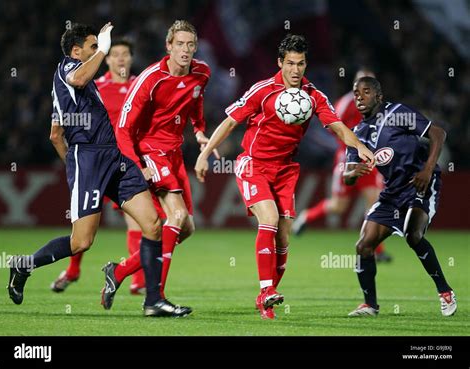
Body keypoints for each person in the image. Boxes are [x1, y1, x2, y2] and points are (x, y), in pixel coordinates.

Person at [7, 23, 190, 318]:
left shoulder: (77, 87)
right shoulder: (69, 68)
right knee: (81, 242)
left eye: (98, 46)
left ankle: (153, 301)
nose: (98, 51)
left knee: (154, 224)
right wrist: (76, 164)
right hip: (89, 159)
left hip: (113, 157)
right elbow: (78, 79)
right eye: (93, 47)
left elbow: (55, 134)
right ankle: (23, 265)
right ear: (76, 51)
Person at [194, 34, 375, 319]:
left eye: (300, 63)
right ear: (280, 63)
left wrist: (360, 145)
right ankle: (266, 290)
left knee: (283, 236)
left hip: (285, 169)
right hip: (253, 164)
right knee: (269, 219)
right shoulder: (262, 90)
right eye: (290, 63)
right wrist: (204, 155)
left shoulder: (313, 95)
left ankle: (266, 298)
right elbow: (230, 122)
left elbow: (337, 126)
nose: (295, 70)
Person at [100, 20, 217, 310]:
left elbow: (196, 101)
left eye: (190, 44)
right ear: (169, 46)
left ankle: (119, 271)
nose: (186, 50)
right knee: (175, 218)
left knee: (187, 228)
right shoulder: (150, 79)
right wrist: (137, 165)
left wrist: (199, 130)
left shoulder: (202, 72)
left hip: (175, 154)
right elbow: (123, 129)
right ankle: (156, 299)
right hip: (151, 149)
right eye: (180, 44)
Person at [345, 76, 456, 317]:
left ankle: (445, 292)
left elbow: (438, 133)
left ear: (379, 96)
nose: (359, 97)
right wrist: (353, 172)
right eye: (356, 93)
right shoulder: (357, 133)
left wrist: (427, 169)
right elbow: (347, 176)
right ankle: (370, 305)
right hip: (392, 192)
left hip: (420, 184)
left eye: (365, 92)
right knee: (363, 245)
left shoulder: (397, 113)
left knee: (413, 235)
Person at [50, 38, 147, 295]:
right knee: (83, 228)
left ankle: (137, 280)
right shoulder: (96, 85)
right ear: (107, 59)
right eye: (115, 54)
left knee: (137, 223)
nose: (120, 59)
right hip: (93, 161)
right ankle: (73, 270)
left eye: (125, 54)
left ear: (131, 58)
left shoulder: (139, 86)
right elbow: (65, 117)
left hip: (121, 163)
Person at [292, 69, 392, 262]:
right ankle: (307, 216)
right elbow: (331, 126)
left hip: (369, 161)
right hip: (348, 161)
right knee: (339, 206)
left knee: (374, 202)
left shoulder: (380, 106)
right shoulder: (346, 103)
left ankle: (374, 249)